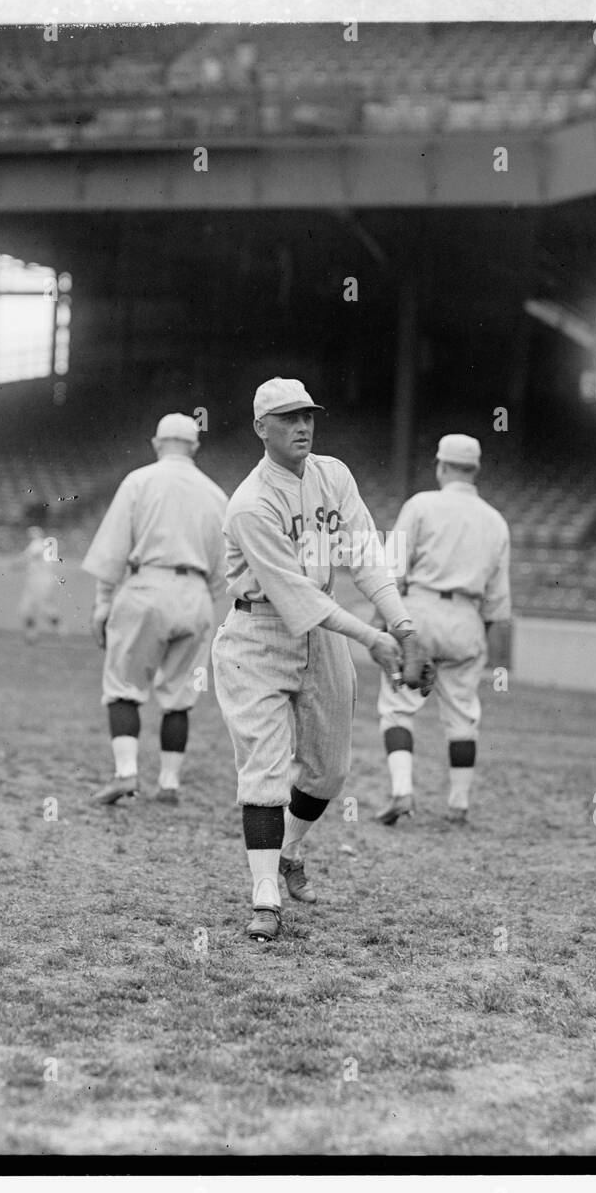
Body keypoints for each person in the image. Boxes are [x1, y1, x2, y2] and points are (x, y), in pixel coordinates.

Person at [211, 377, 415, 942]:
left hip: (323, 633)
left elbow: (365, 552)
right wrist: (373, 639)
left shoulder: (334, 474)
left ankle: (290, 853)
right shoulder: (250, 503)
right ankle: (264, 897)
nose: (302, 426)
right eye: (287, 418)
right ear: (261, 428)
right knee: (266, 771)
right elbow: (295, 597)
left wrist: (400, 622)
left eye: (308, 415)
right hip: (257, 634)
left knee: (329, 771)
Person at [82, 413, 227, 807]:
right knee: (180, 695)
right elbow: (225, 565)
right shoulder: (216, 494)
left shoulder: (140, 480)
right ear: (195, 447)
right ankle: (169, 783)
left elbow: (113, 549)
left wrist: (102, 605)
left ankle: (127, 774)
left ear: (157, 443)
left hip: (147, 584)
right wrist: (200, 595)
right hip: (197, 593)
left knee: (124, 686)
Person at [375, 434, 511, 826]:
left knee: (398, 707)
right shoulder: (495, 520)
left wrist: (386, 625)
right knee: (463, 715)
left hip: (418, 608)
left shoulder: (421, 504)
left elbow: (390, 572)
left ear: (441, 465)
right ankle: (458, 804)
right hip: (467, 616)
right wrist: (473, 633)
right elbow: (497, 602)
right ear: (476, 470)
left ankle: (402, 792)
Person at [18, 525, 63, 642]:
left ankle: (60, 630)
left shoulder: (38, 543)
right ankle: (32, 634)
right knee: (27, 607)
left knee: (42, 607)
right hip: (36, 580)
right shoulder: (39, 545)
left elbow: (31, 556)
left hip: (40, 580)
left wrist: (16, 563)